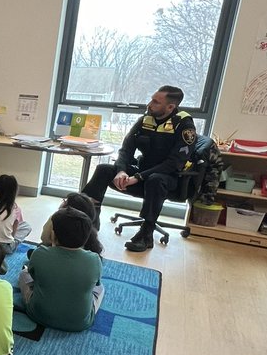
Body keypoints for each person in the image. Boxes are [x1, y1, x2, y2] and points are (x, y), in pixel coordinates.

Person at [81, 86, 197, 252]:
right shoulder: (146, 120)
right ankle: (89, 217)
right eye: (151, 99)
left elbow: (174, 163)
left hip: (169, 179)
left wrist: (139, 177)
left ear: (170, 107)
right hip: (141, 175)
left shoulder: (184, 126)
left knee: (155, 179)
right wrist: (121, 170)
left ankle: (146, 233)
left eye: (156, 102)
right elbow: (126, 150)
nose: (150, 104)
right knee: (104, 169)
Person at [18, 208, 104, 332]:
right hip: (80, 322)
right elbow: (95, 285)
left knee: (24, 274)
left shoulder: (40, 253)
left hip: (38, 315)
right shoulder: (94, 260)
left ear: (53, 234)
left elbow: (33, 277)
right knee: (100, 288)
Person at [0, 174, 32, 255]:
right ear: (14, 192)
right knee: (26, 226)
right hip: (4, 248)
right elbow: (12, 235)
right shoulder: (16, 209)